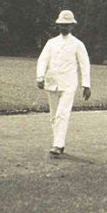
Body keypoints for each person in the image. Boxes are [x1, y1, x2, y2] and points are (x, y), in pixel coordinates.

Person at [36, 10, 91, 156]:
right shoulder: (51, 43)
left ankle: (58, 145)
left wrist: (86, 85)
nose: (64, 28)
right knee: (54, 116)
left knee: (62, 114)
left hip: (68, 84)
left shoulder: (78, 44)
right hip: (52, 82)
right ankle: (58, 142)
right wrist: (40, 77)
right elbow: (43, 60)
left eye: (67, 25)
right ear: (58, 25)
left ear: (72, 26)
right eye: (61, 25)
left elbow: (84, 64)